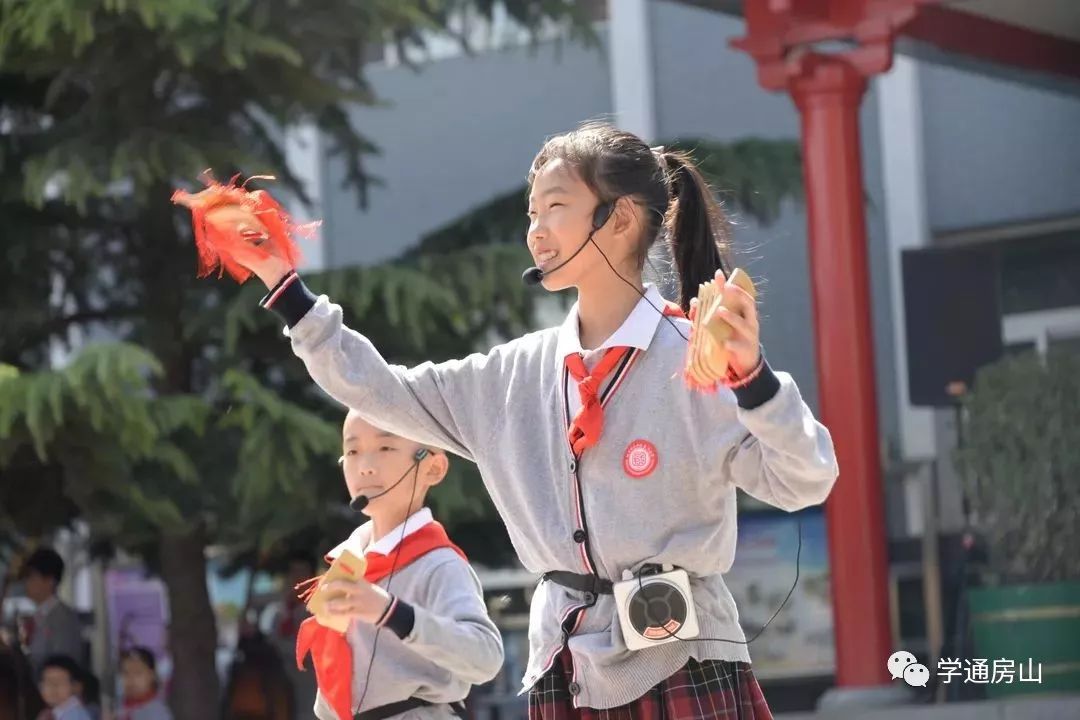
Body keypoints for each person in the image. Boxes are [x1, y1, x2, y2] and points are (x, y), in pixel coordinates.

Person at [201, 121, 838, 719]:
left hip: (680, 657)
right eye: (531, 213)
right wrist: (285, 284)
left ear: (618, 218)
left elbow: (805, 481)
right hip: (562, 665)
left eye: (554, 208)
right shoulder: (512, 374)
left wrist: (752, 378)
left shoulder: (697, 356)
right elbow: (379, 392)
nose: (534, 230)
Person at [293, 411, 504, 720]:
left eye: (386, 448)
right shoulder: (349, 561)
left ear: (433, 467)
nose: (364, 467)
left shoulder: (439, 563)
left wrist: (392, 612)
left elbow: (486, 657)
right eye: (352, 451)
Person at [19, 549, 85, 676]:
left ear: (50, 581)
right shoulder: (38, 616)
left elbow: (63, 664)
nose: (27, 583)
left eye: (32, 577)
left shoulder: (63, 619)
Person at [116, 648, 172, 720]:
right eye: (125, 673)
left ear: (151, 675)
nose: (131, 679)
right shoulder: (122, 707)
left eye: (138, 673)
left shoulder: (156, 712)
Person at [36, 655, 91, 720]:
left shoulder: (74, 715)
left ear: (75, 686)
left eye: (60, 681)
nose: (53, 687)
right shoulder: (57, 712)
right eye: (48, 682)